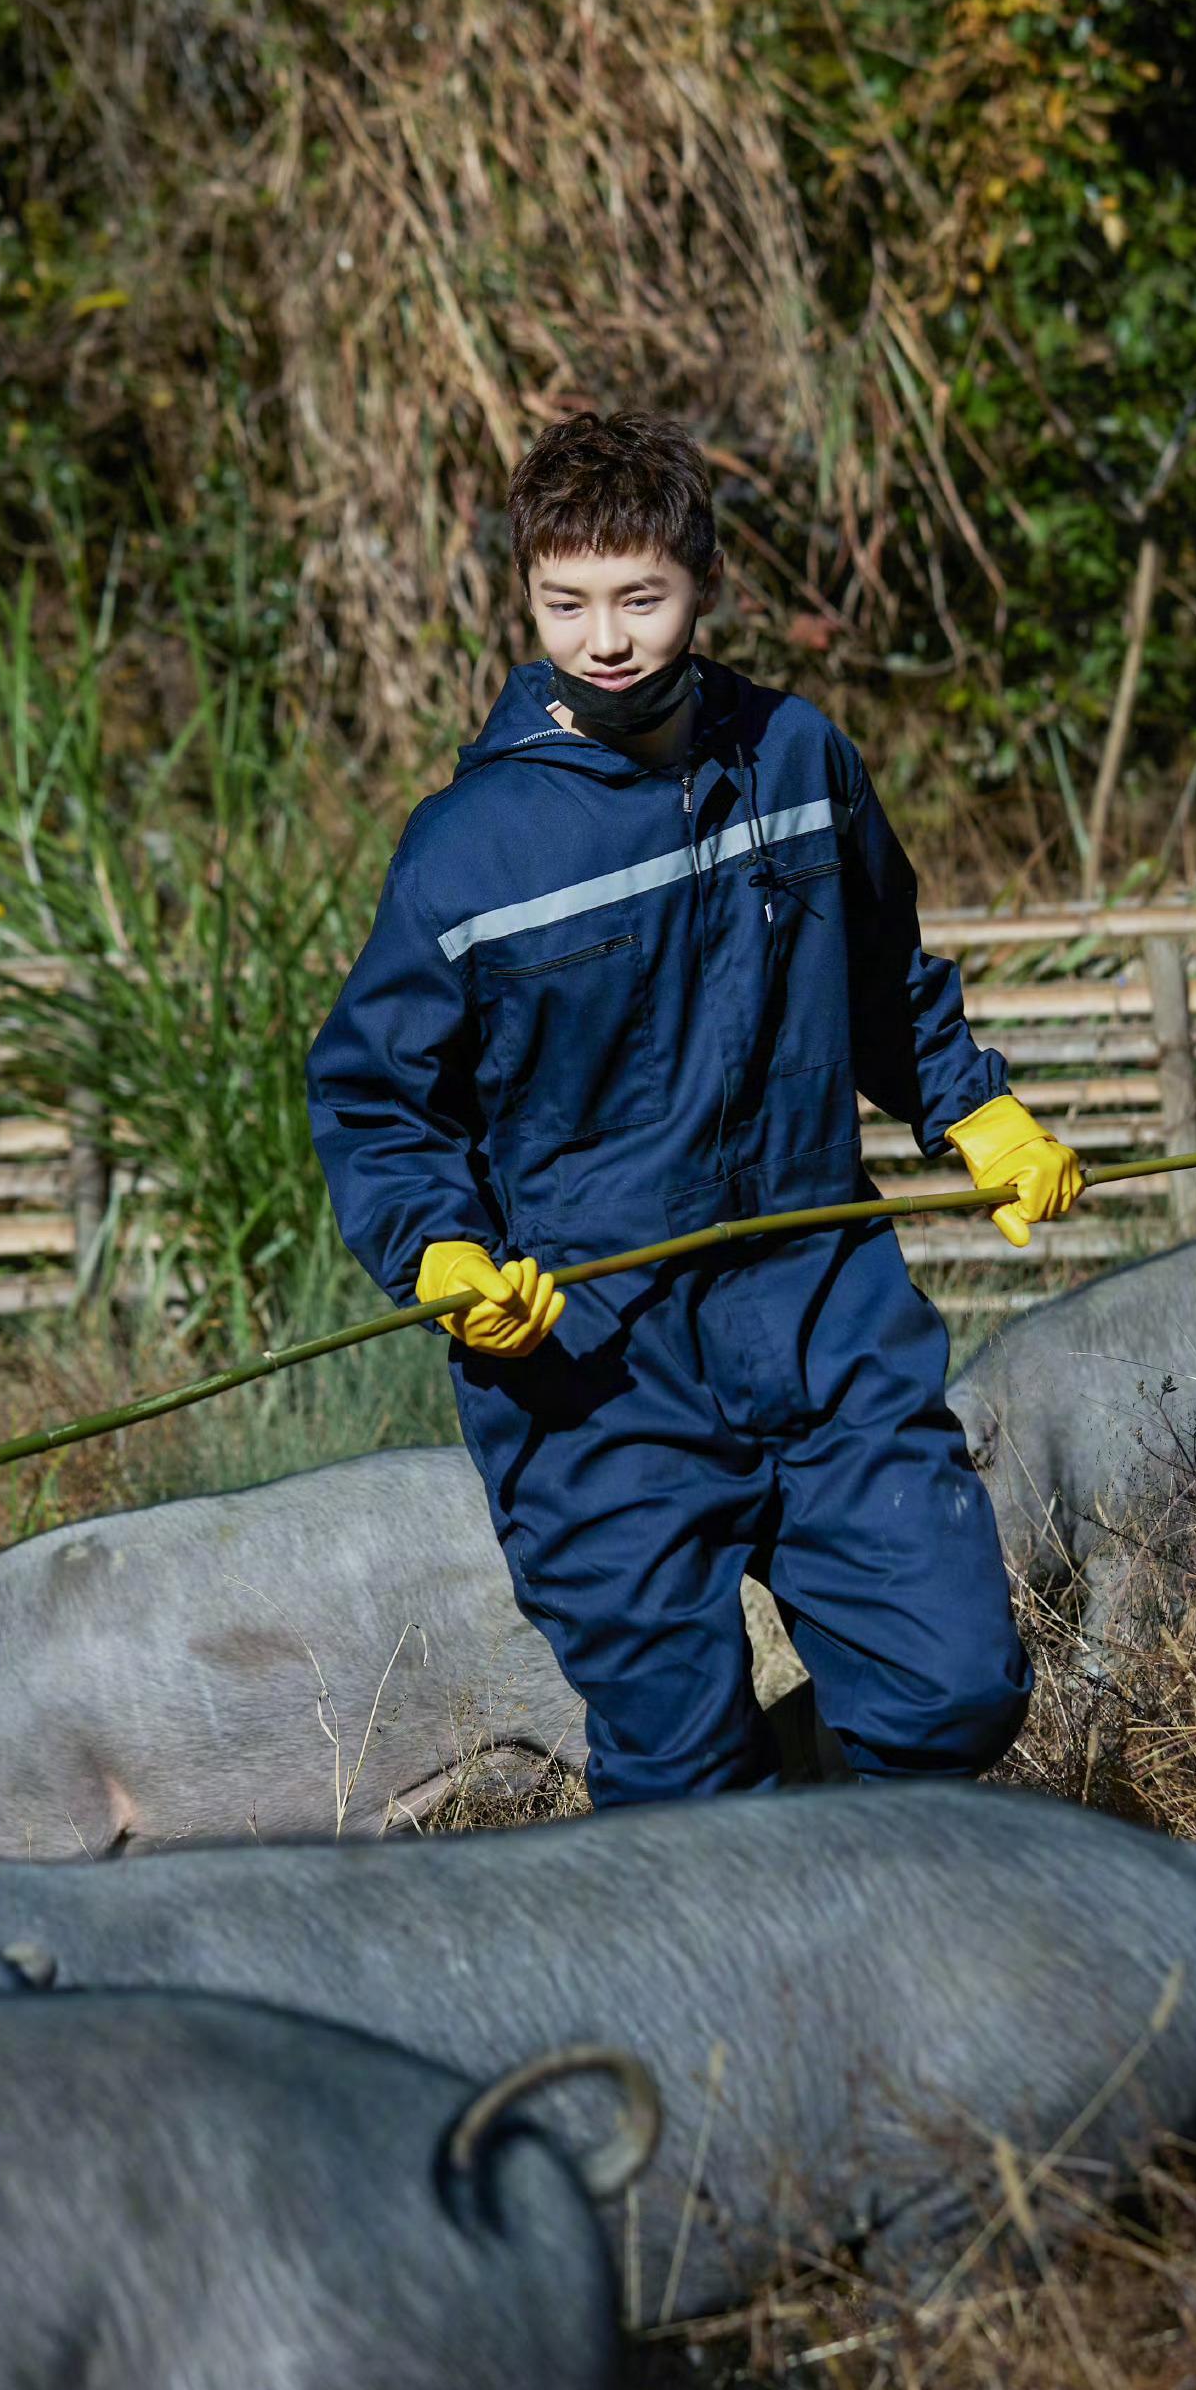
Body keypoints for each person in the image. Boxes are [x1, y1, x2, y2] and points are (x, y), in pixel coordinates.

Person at [306, 410, 1082, 1807]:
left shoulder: (797, 759)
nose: (605, 638)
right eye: (567, 603)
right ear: (527, 596)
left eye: (641, 598)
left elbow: (883, 974)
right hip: (590, 1360)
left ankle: (864, 1876)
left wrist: (978, 1114)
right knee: (682, 1776)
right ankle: (738, 1911)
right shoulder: (468, 851)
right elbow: (377, 1097)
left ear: (707, 582)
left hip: (819, 1301)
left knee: (956, 1689)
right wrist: (442, 1254)